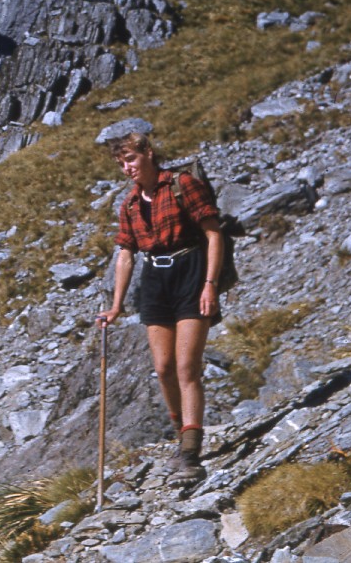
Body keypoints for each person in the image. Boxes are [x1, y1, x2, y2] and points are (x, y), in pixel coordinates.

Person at [97, 124, 224, 485]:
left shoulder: (183, 186)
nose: (127, 168)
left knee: (187, 366)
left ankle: (190, 450)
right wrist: (116, 305)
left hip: (190, 273)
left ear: (148, 153)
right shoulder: (131, 204)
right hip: (154, 280)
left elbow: (213, 234)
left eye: (131, 159)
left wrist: (210, 285)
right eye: (122, 163)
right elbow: (125, 254)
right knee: (164, 367)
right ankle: (180, 431)